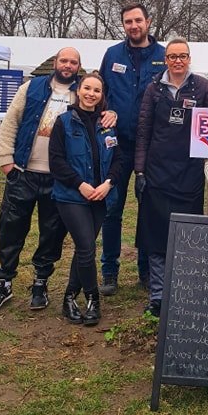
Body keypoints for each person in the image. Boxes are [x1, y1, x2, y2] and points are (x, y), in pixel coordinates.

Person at [0, 47, 81, 313]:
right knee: (11, 227)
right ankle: (3, 282)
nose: (67, 65)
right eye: (64, 60)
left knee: (52, 233)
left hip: (58, 177)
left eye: (73, 62)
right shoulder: (31, 87)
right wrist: (6, 160)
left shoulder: (82, 92)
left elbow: (99, 117)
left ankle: (40, 282)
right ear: (55, 63)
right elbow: (11, 121)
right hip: (24, 172)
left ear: (78, 67)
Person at [134, 38, 208, 316]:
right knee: (155, 237)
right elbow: (143, 130)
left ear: (189, 58)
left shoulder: (203, 87)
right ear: (166, 60)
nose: (178, 61)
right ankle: (157, 295)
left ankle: (180, 290)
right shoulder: (154, 88)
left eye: (182, 56)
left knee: (186, 237)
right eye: (172, 56)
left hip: (189, 174)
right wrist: (140, 170)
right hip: (157, 173)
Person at [98, 3, 166, 296]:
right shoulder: (113, 54)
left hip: (151, 148)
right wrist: (105, 111)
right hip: (117, 146)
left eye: (138, 20)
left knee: (148, 210)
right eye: (128, 21)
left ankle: (146, 270)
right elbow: (99, 90)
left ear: (148, 22)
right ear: (123, 25)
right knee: (111, 207)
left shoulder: (164, 57)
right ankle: (109, 270)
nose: (133, 25)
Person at [49, 72, 121, 327]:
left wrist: (107, 183)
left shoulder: (108, 124)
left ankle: (69, 296)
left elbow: (119, 160)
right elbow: (56, 161)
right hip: (72, 196)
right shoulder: (64, 122)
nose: (91, 94)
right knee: (87, 249)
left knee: (84, 249)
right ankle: (93, 300)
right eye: (87, 88)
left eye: (97, 90)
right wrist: (80, 185)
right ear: (78, 90)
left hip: (100, 196)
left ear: (102, 96)